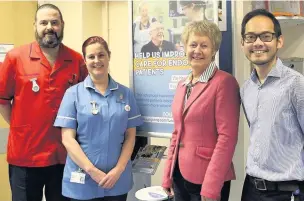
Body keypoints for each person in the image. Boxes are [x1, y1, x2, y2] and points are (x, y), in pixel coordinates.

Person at [0, 4, 87, 201]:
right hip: (25, 155)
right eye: (44, 22)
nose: (49, 27)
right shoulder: (15, 58)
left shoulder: (75, 60)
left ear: (62, 25)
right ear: (35, 26)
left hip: (64, 155)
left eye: (54, 22)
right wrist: (20, 127)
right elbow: (3, 100)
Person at [53, 36, 143, 201]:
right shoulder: (73, 94)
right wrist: (92, 171)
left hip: (117, 180)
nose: (97, 60)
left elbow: (130, 136)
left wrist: (119, 169)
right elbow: (67, 139)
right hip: (82, 182)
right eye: (91, 56)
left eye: (101, 55)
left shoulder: (126, 94)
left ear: (109, 56)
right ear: (84, 60)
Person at [162, 20, 240, 201]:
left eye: (204, 45)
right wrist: (167, 175)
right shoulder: (183, 84)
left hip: (207, 179)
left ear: (214, 50)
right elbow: (176, 133)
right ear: (184, 48)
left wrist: (211, 186)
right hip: (179, 174)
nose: (197, 50)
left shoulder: (224, 83)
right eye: (193, 44)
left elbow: (227, 138)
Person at [240, 9, 304, 201]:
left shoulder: (296, 84)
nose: (258, 43)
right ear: (243, 43)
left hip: (286, 191)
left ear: (279, 41)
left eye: (266, 36)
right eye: (250, 37)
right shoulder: (246, 89)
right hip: (251, 188)